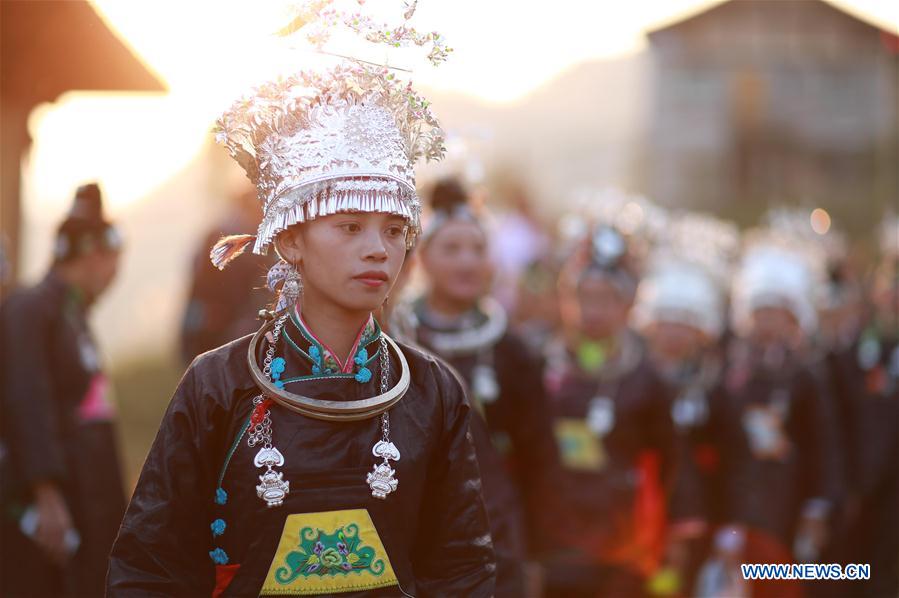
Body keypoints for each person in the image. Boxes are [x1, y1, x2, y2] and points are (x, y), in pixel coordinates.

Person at [106, 62, 496, 597]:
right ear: (291, 242)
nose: (378, 249)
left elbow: (461, 569)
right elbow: (151, 567)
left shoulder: (432, 389)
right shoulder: (219, 385)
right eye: (350, 226)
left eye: (395, 229)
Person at [403, 177, 560, 596]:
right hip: (412, 527)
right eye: (451, 249)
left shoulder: (513, 352)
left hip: (497, 529)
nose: (467, 262)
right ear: (422, 258)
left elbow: (540, 457)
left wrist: (538, 552)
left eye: (477, 249)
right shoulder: (395, 342)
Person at [538, 222, 684, 597]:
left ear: (627, 304)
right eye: (584, 297)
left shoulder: (647, 376)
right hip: (554, 541)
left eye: (606, 299)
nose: (594, 311)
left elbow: (670, 461)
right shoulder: (540, 366)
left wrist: (668, 538)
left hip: (621, 543)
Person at [0, 183, 126, 597]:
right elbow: (26, 401)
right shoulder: (30, 309)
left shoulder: (71, 311)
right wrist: (46, 494)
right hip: (52, 510)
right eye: (115, 263)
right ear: (94, 255)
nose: (114, 276)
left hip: (87, 501)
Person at [714, 231, 841, 598]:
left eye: (777, 313)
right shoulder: (731, 374)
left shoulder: (807, 375)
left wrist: (819, 506)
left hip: (789, 503)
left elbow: (824, 444)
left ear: (795, 319)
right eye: (760, 312)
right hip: (738, 507)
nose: (767, 323)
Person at [630, 212, 737, 595]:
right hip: (638, 515)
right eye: (665, 322)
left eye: (685, 324)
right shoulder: (631, 381)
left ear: (703, 331)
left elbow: (730, 457)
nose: (673, 334)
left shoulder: (716, 388)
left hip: (700, 515)